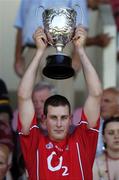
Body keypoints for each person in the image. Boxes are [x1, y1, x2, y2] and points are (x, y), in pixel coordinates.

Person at [17, 25, 102, 179]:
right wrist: (39, 52)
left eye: (63, 118)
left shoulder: (83, 141)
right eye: (53, 117)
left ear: (71, 120)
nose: (59, 124)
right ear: (43, 119)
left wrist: (80, 51)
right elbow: (23, 96)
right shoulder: (34, 143)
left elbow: (96, 94)